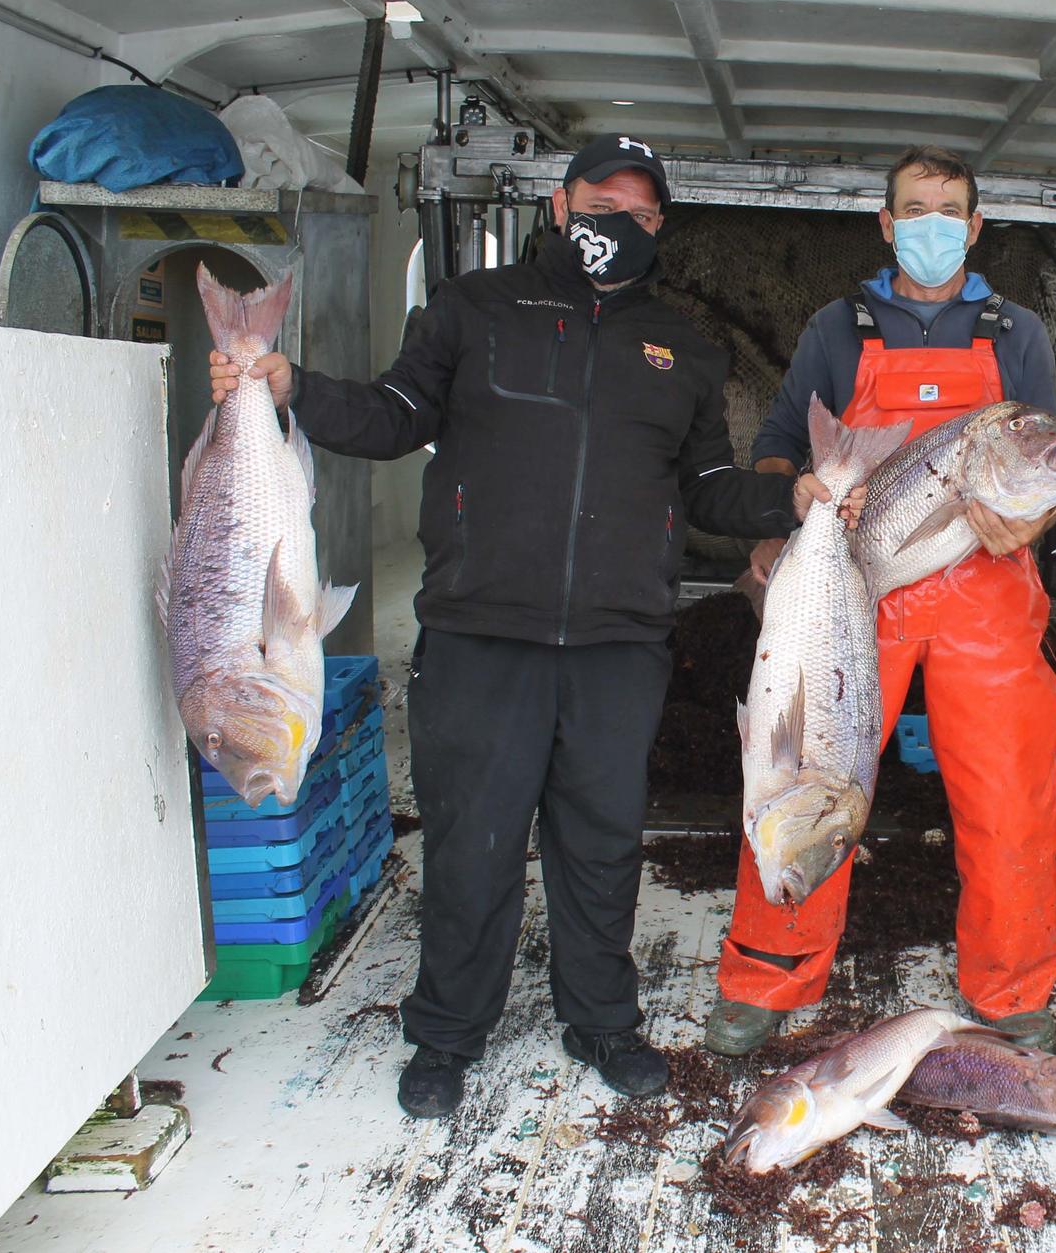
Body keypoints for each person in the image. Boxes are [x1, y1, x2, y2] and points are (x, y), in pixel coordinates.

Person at [208, 133, 854, 1119]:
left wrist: (791, 498)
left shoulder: (683, 347)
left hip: (617, 646)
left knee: (600, 847)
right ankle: (446, 1035)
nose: (618, 225)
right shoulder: (472, 310)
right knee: (471, 845)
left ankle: (601, 1023)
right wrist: (290, 389)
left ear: (659, 228)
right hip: (478, 636)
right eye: (601, 203)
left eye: (639, 214)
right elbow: (389, 415)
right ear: (559, 206)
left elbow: (712, 489)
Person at [703, 144, 1056, 1055]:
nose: (932, 225)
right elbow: (784, 441)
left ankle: (1013, 982)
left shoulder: (1016, 332)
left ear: (977, 227)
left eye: (949, 210)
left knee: (1012, 792)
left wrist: (1034, 524)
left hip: (986, 594)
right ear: (886, 223)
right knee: (801, 773)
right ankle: (767, 972)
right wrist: (773, 532)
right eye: (916, 209)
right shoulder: (840, 325)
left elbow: (1048, 458)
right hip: (854, 596)